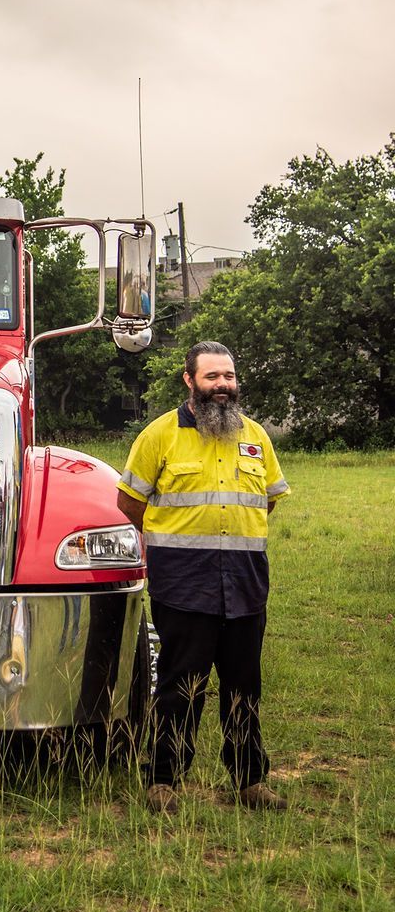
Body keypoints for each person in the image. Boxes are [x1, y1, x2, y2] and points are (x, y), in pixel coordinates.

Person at [116, 341, 290, 813]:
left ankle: (250, 782)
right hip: (183, 586)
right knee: (179, 687)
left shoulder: (255, 436)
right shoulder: (160, 435)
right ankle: (164, 782)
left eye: (229, 377)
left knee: (244, 688)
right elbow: (130, 502)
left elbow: (267, 500)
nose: (223, 386)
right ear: (189, 381)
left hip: (246, 585)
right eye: (212, 377)